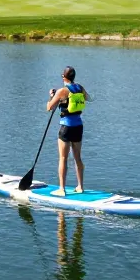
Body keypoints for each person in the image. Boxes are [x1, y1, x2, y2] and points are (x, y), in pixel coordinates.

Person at [46, 66, 89, 196]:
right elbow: (87, 98)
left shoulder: (62, 91)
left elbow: (49, 107)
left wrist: (52, 96)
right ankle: (80, 187)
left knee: (63, 158)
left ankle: (61, 189)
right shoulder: (80, 88)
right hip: (78, 127)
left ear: (64, 77)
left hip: (66, 127)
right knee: (77, 158)